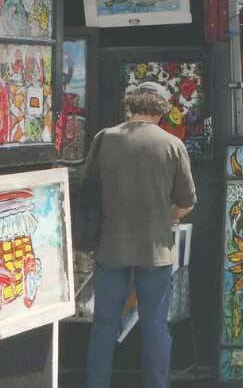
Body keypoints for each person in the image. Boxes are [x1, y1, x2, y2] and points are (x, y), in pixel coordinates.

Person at [85, 82, 197, 388]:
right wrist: (167, 215)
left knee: (103, 327)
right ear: (161, 110)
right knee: (155, 329)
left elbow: (88, 190)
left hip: (111, 247)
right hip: (156, 250)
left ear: (130, 105)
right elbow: (187, 203)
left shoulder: (105, 138)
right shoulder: (172, 144)